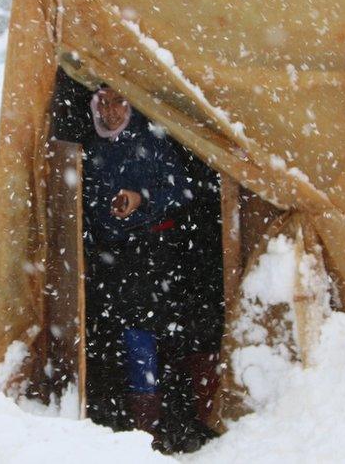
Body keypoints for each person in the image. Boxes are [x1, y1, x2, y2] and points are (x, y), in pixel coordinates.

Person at [82, 85, 214, 453]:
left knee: (166, 333)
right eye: (103, 103)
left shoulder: (154, 141)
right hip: (117, 259)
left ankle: (183, 419)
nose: (110, 111)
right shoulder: (93, 152)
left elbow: (180, 189)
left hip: (159, 253)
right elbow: (87, 205)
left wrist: (142, 199)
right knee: (132, 338)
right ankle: (146, 431)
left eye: (118, 101)